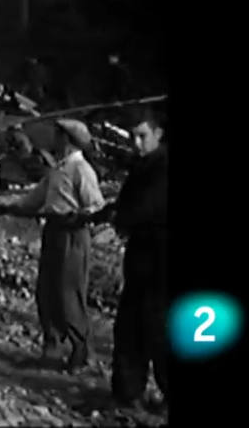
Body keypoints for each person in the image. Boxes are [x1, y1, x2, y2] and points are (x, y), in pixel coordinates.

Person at [0, 118, 107, 371]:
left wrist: (78, 217)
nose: (54, 139)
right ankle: (52, 348)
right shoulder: (58, 170)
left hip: (72, 235)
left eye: (58, 135)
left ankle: (82, 353)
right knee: (47, 291)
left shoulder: (81, 169)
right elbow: (34, 200)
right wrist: (5, 206)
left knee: (69, 293)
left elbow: (96, 206)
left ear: (67, 139)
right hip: (54, 233)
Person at [91, 109, 169, 410]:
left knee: (159, 329)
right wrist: (106, 213)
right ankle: (126, 393)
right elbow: (127, 203)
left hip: (162, 261)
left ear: (158, 134)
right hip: (141, 258)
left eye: (142, 136)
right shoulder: (142, 166)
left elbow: (145, 207)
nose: (136, 143)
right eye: (132, 136)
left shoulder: (163, 168)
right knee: (129, 327)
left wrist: (118, 219)